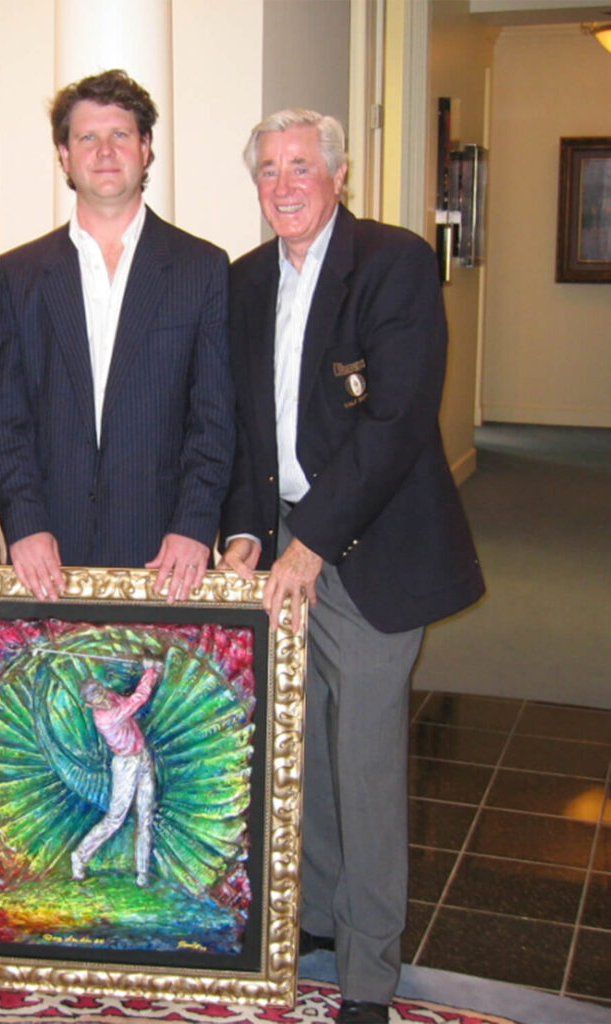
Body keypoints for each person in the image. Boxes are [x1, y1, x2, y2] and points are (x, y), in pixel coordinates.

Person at [218, 109, 484, 1024]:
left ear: (340, 174)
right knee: (301, 749)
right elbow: (248, 427)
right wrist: (251, 533)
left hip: (369, 544)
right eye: (267, 170)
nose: (283, 185)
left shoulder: (394, 262)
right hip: (284, 540)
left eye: (301, 167)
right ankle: (322, 917)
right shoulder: (245, 279)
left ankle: (369, 974)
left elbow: (397, 419)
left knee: (365, 766)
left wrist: (308, 543)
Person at [0, 69, 234, 604]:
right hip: (46, 555)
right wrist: (23, 524)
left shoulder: (202, 268)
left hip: (167, 555)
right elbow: (6, 418)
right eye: (87, 138)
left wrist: (195, 526)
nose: (104, 151)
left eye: (121, 135)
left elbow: (213, 418)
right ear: (63, 154)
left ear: (145, 150)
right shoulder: (18, 273)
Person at [71, 655, 163, 887]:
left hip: (142, 758)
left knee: (146, 815)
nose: (103, 700)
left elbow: (127, 699)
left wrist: (150, 670)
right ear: (90, 705)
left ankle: (142, 872)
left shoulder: (111, 698)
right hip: (124, 765)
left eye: (102, 693)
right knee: (114, 819)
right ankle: (79, 856)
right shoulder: (106, 719)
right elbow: (138, 700)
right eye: (97, 699)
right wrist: (150, 672)